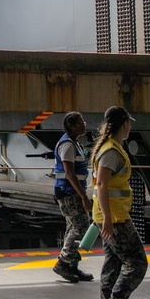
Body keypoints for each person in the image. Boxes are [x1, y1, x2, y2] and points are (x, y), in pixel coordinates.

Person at [91, 106, 147, 299]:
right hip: (115, 218)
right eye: (129, 122)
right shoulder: (112, 151)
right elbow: (102, 185)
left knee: (113, 265)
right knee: (137, 263)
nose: (130, 127)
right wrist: (109, 221)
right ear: (124, 123)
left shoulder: (107, 148)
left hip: (109, 216)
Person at [52, 111, 94, 283]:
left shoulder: (75, 144)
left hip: (73, 191)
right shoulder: (67, 145)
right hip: (69, 192)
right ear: (70, 126)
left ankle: (72, 265)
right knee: (80, 227)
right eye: (79, 122)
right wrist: (84, 196)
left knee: (72, 228)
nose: (83, 124)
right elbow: (69, 173)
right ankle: (63, 263)